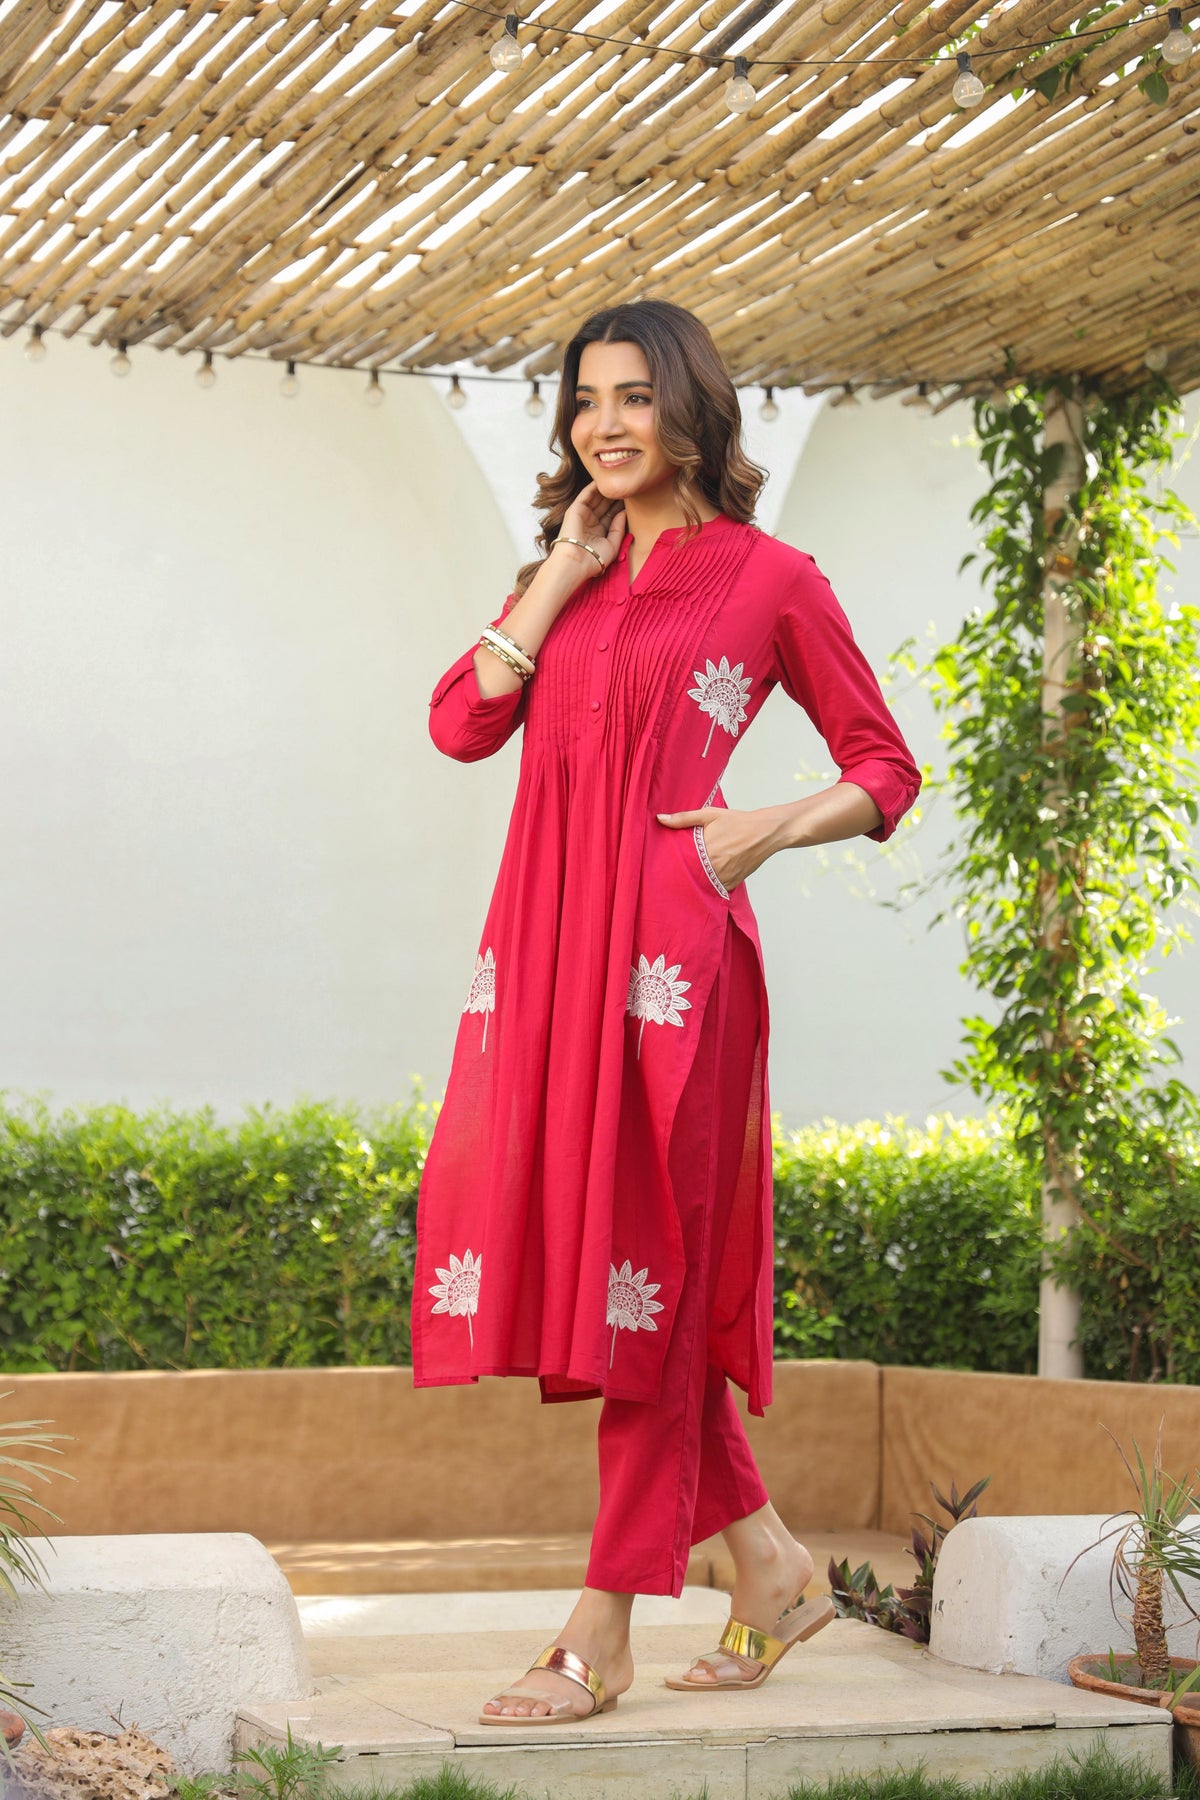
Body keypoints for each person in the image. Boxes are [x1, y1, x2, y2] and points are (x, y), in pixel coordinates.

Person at [415, 299, 922, 1726]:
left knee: (647, 1272)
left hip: (676, 969)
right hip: (550, 959)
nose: (605, 425)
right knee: (624, 1281)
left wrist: (768, 825)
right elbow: (461, 722)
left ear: (690, 406)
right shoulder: (565, 573)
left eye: (634, 396)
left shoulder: (771, 579)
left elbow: (885, 768)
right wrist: (558, 573)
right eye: (585, 401)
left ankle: (604, 1623)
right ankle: (774, 1569)